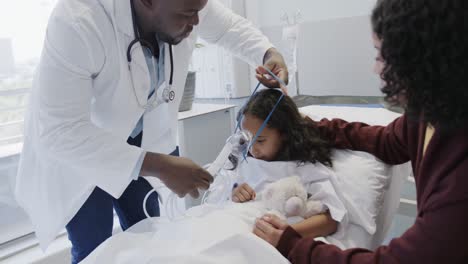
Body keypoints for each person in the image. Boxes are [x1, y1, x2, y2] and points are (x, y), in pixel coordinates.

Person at [15, 0, 288, 262]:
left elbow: (229, 28)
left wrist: (268, 53)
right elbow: (61, 129)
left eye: (198, 11)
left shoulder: (183, 6)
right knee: (93, 247)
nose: (196, 21)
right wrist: (159, 165)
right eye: (186, 15)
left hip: (142, 138)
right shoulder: (78, 20)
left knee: (149, 233)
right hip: (82, 150)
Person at [253, 0, 468, 263]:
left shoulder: (459, 181)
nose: (375, 68)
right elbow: (387, 141)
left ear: (419, 57)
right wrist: (310, 125)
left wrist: (293, 246)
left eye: (380, 55)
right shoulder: (429, 112)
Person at [231, 89, 342, 240]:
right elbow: (222, 198)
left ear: (284, 134)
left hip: (273, 236)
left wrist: (283, 234)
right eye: (247, 140)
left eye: (261, 140)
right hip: (238, 226)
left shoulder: (305, 167)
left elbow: (330, 221)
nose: (252, 149)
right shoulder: (246, 162)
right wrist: (236, 193)